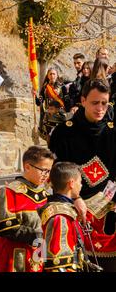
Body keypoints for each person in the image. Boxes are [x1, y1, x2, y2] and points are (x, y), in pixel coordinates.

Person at [49, 80, 116, 271]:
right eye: (95, 103)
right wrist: (75, 198)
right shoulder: (64, 133)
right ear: (83, 100)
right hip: (77, 208)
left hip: (109, 210)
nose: (100, 108)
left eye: (104, 103)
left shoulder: (113, 131)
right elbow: (58, 173)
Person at [0, 146, 54, 272]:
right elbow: (4, 228)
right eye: (43, 170)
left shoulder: (48, 196)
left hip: (41, 257)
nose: (46, 175)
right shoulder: (8, 192)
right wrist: (37, 235)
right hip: (17, 259)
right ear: (27, 167)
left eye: (49, 171)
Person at [38, 162, 96, 272]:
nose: (81, 185)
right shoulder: (61, 216)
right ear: (72, 183)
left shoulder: (66, 210)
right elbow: (58, 264)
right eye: (80, 182)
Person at [35, 68, 65, 136]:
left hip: (60, 115)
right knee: (49, 138)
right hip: (49, 116)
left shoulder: (62, 87)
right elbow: (39, 102)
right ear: (48, 76)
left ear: (57, 75)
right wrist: (35, 96)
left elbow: (66, 101)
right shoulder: (45, 88)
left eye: (54, 74)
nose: (52, 76)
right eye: (50, 74)